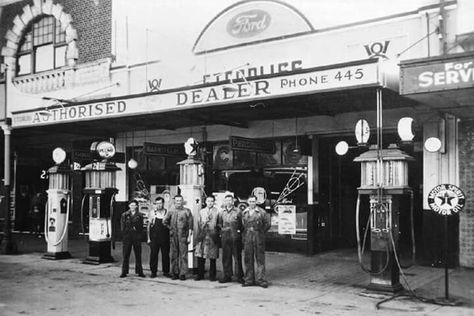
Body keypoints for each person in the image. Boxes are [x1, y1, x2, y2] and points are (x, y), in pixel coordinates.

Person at [242, 195, 271, 288]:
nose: (252, 203)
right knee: (248, 259)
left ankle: (261, 280)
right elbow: (242, 225)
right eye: (250, 201)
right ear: (247, 202)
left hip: (258, 236)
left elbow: (267, 224)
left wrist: (260, 232)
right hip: (247, 237)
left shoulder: (262, 212)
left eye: (253, 201)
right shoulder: (244, 212)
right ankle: (249, 279)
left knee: (260, 259)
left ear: (256, 202)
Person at [163, 195, 193, 280]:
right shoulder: (171, 211)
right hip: (173, 236)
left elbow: (190, 225)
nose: (178, 202)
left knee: (183, 255)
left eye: (180, 200)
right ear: (174, 201)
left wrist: (189, 236)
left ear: (182, 201)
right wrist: (171, 229)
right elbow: (164, 221)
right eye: (177, 200)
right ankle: (175, 273)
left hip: (183, 236)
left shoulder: (187, 211)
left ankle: (182, 273)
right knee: (174, 255)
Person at [217, 194, 244, 284]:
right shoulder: (221, 212)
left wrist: (238, 232)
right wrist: (222, 232)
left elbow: (242, 224)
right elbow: (219, 224)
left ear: (233, 201)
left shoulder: (238, 211)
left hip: (235, 237)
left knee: (237, 257)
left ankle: (239, 276)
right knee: (226, 257)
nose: (228, 202)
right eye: (226, 200)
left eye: (230, 200)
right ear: (224, 202)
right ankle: (227, 275)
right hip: (225, 238)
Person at [194, 196, 220, 281]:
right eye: (208, 201)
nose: (210, 203)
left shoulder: (217, 212)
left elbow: (219, 224)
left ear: (214, 202)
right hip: (203, 235)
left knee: (212, 257)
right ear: (205, 202)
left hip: (212, 235)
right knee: (200, 256)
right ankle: (200, 274)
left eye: (212, 201)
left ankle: (212, 276)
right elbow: (198, 223)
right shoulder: (201, 212)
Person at [120, 200, 145, 278]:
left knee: (138, 254)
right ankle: (124, 271)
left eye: (134, 205)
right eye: (131, 205)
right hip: (127, 237)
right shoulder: (124, 215)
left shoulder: (140, 215)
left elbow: (141, 227)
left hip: (136, 237)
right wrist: (125, 233)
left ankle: (139, 271)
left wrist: (137, 231)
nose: (133, 207)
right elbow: (122, 226)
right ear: (129, 206)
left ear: (137, 206)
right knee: (126, 254)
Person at [147, 197, 171, 278]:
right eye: (157, 203)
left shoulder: (167, 212)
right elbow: (149, 226)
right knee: (153, 255)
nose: (159, 205)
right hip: (154, 238)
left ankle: (166, 271)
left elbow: (170, 226)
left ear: (163, 203)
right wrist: (148, 238)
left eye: (160, 203)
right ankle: (153, 272)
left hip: (165, 238)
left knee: (165, 255)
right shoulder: (152, 213)